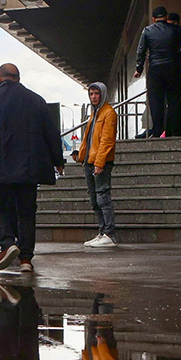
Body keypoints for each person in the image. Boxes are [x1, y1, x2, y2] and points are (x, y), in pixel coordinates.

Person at [0, 63, 64, 273]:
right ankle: (26, 260)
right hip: (28, 168)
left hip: (0, 165)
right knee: (27, 213)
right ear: (18, 79)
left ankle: (7, 244)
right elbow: (51, 133)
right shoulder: (36, 100)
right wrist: (58, 161)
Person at [134, 7, 181, 138]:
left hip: (155, 70)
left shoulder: (147, 31)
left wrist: (139, 69)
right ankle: (174, 131)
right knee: (174, 100)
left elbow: (141, 51)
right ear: (167, 17)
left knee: (156, 102)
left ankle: (157, 131)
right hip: (173, 69)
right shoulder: (176, 29)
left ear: (154, 19)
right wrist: (178, 58)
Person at [75, 82, 118, 248]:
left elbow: (107, 141)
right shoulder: (95, 113)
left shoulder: (108, 113)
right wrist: (81, 156)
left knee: (103, 198)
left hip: (101, 162)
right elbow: (89, 137)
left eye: (96, 94)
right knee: (94, 199)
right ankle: (102, 232)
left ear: (103, 94)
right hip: (90, 161)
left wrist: (99, 163)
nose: (93, 97)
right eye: (91, 94)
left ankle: (109, 233)